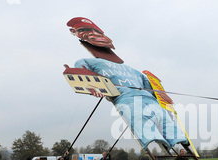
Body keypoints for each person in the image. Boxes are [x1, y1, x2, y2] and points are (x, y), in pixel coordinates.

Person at [67, 17, 189, 151]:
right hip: (125, 97)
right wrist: (92, 84)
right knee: (135, 115)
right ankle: (151, 137)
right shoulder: (90, 61)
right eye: (84, 31)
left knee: (163, 117)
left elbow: (150, 86)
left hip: (147, 97)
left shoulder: (133, 70)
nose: (93, 35)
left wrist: (159, 94)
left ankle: (177, 137)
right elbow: (81, 68)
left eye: (97, 32)